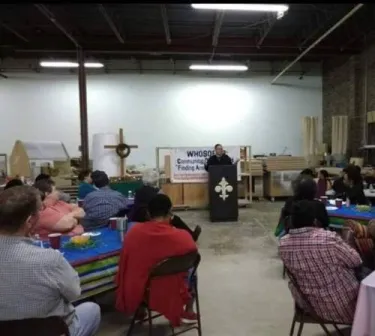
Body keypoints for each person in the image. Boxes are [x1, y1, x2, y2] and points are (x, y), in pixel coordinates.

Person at [0, 185, 101, 336]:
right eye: (40, 211)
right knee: (91, 309)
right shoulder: (50, 259)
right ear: (29, 221)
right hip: (51, 330)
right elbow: (74, 293)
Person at [116, 194, 198, 326]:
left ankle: (140, 310)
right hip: (172, 291)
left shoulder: (133, 233)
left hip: (143, 292)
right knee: (192, 269)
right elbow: (193, 253)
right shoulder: (182, 236)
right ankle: (188, 310)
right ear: (170, 213)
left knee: (139, 265)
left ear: (148, 214)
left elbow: (126, 263)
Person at [279, 200, 362, 324]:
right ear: (314, 221)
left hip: (310, 308)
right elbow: (356, 261)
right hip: (346, 307)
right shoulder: (328, 239)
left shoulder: (283, 244)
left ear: (291, 221)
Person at [128, 169, 201, 241]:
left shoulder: (138, 191)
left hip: (136, 217)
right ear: (156, 181)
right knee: (174, 218)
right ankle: (192, 236)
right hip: (152, 217)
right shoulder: (158, 192)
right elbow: (168, 207)